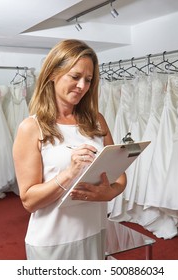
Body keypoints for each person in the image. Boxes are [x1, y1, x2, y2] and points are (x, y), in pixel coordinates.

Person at [12, 39, 127, 260]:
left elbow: (120, 175)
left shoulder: (97, 121)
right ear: (53, 73)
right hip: (53, 240)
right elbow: (29, 201)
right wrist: (69, 173)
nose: (82, 86)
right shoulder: (31, 128)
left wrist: (109, 192)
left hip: (94, 230)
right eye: (75, 77)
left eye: (88, 80)